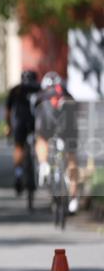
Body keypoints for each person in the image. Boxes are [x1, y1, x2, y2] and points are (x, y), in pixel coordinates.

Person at [34, 71, 80, 214]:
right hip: (69, 127)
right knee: (71, 158)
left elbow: (35, 113)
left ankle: (43, 164)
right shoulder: (67, 94)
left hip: (47, 124)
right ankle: (73, 198)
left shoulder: (41, 95)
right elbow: (76, 110)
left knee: (41, 139)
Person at [5, 70, 40, 194]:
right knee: (39, 144)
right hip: (37, 123)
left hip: (19, 123)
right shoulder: (39, 88)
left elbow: (8, 111)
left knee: (18, 147)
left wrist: (8, 126)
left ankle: (18, 174)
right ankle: (40, 169)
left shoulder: (15, 90)